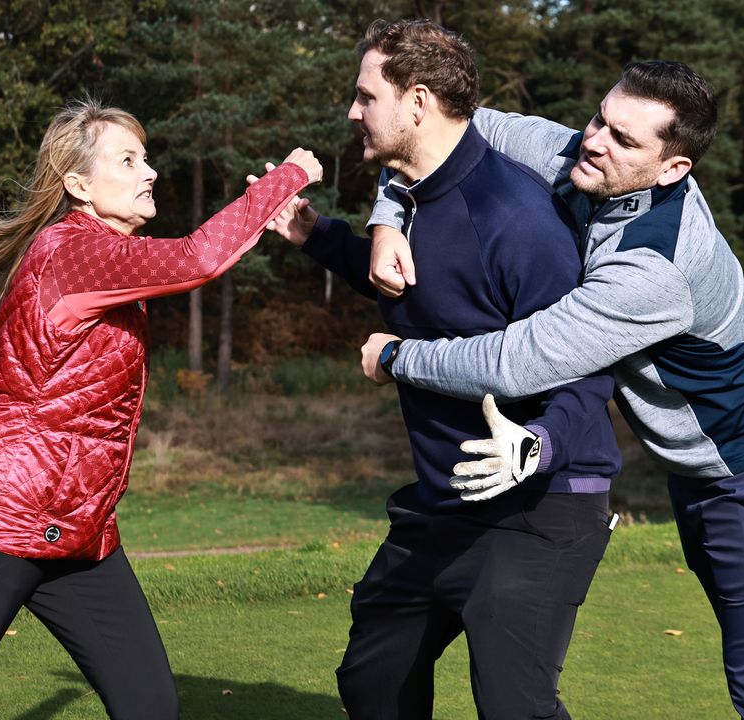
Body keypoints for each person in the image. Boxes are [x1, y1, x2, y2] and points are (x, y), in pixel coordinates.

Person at [360, 61, 744, 720]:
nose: (593, 141)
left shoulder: (653, 270)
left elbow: (518, 362)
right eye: (599, 120)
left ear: (673, 170)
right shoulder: (581, 156)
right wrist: (387, 219)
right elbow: (437, 136)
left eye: (624, 139)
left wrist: (398, 355)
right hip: (703, 471)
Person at [0, 100, 322, 719]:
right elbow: (197, 258)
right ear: (79, 185)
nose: (151, 172)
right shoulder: (72, 251)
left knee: (150, 706)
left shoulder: (106, 259)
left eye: (148, 157)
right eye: (128, 159)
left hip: (74, 530)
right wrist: (288, 176)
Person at [253, 19, 620, 720]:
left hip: (542, 505)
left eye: (366, 96)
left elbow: (586, 374)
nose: (353, 111)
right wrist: (312, 233)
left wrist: (536, 444)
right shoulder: (410, 198)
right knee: (373, 677)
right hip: (445, 500)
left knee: (514, 702)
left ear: (416, 103)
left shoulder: (517, 220)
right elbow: (419, 289)